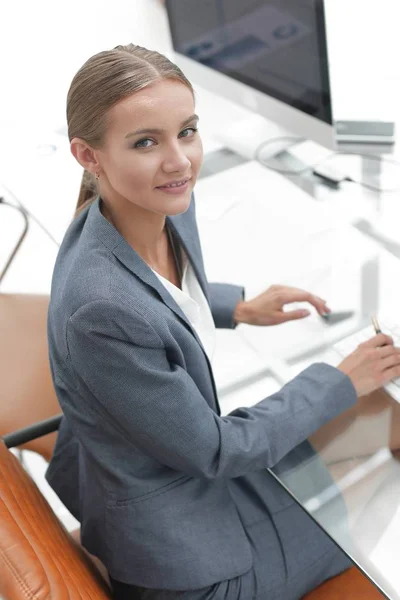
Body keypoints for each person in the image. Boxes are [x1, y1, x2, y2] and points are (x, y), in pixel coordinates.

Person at [45, 43, 400, 600]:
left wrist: (236, 306)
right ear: (88, 155)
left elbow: (156, 300)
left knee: (381, 421)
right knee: (377, 494)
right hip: (192, 562)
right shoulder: (99, 308)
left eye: (185, 131)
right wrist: (342, 376)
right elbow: (218, 450)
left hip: (182, 479)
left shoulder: (142, 209)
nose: (180, 160)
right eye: (146, 142)